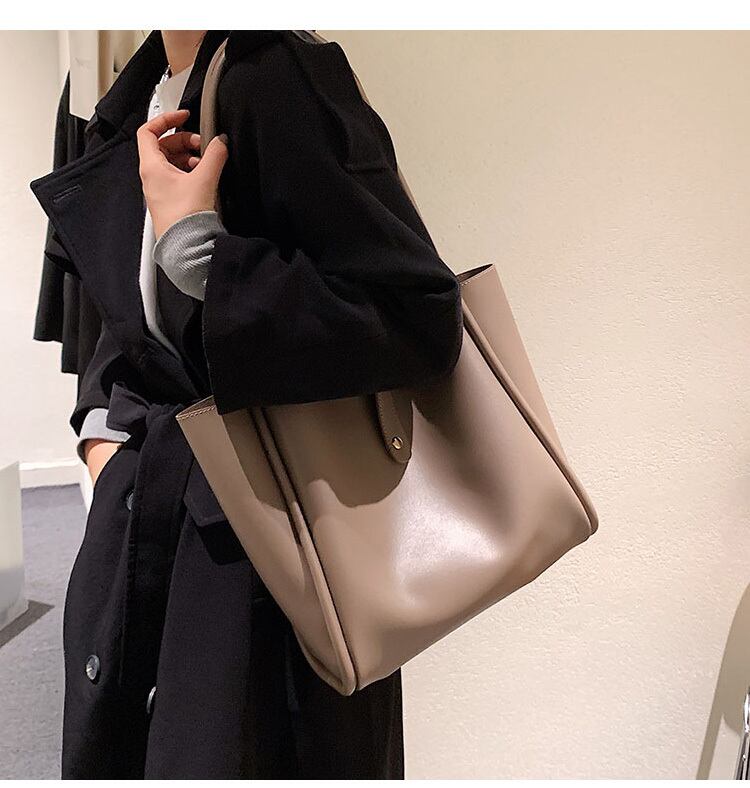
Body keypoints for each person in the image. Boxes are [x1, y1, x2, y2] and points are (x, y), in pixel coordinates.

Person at [30, 29, 463, 779]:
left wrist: (203, 255)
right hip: (147, 533)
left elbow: (415, 319)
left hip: (265, 569)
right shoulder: (134, 100)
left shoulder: (277, 75)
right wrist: (101, 437)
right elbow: (126, 327)